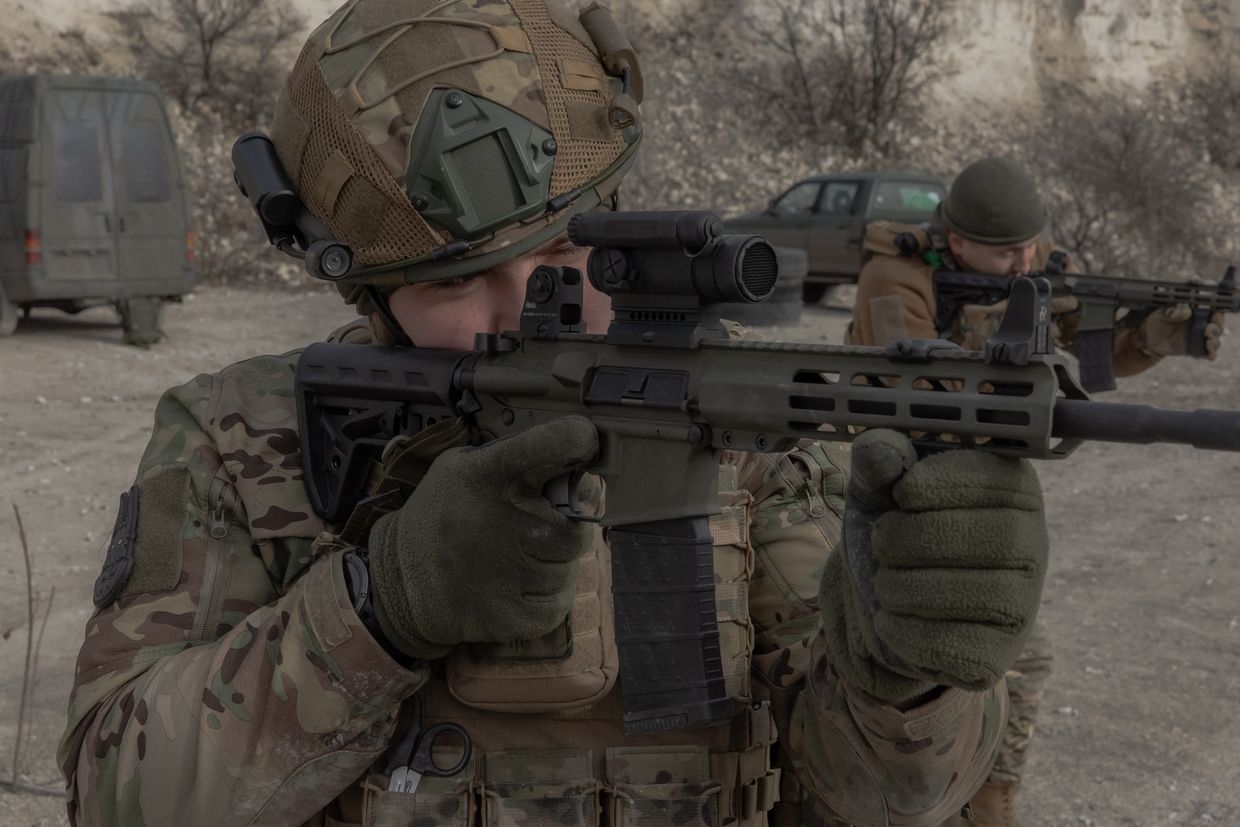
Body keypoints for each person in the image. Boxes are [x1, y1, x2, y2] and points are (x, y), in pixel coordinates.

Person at [58, 5, 1051, 825]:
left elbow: (884, 797)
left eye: (570, 259)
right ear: (365, 285)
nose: (531, 307)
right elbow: (116, 793)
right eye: (459, 278)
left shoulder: (754, 431)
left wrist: (903, 680)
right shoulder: (248, 436)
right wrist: (382, 606)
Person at [846, 156, 1225, 827]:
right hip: (899, 489)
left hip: (983, 492)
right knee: (957, 663)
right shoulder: (893, 275)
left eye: (1030, 245)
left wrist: (1153, 337)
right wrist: (1008, 351)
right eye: (1004, 252)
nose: (1025, 263)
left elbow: (1094, 337)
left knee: (1003, 657)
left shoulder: (1031, 263)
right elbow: (918, 390)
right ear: (956, 242)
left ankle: (986, 801)